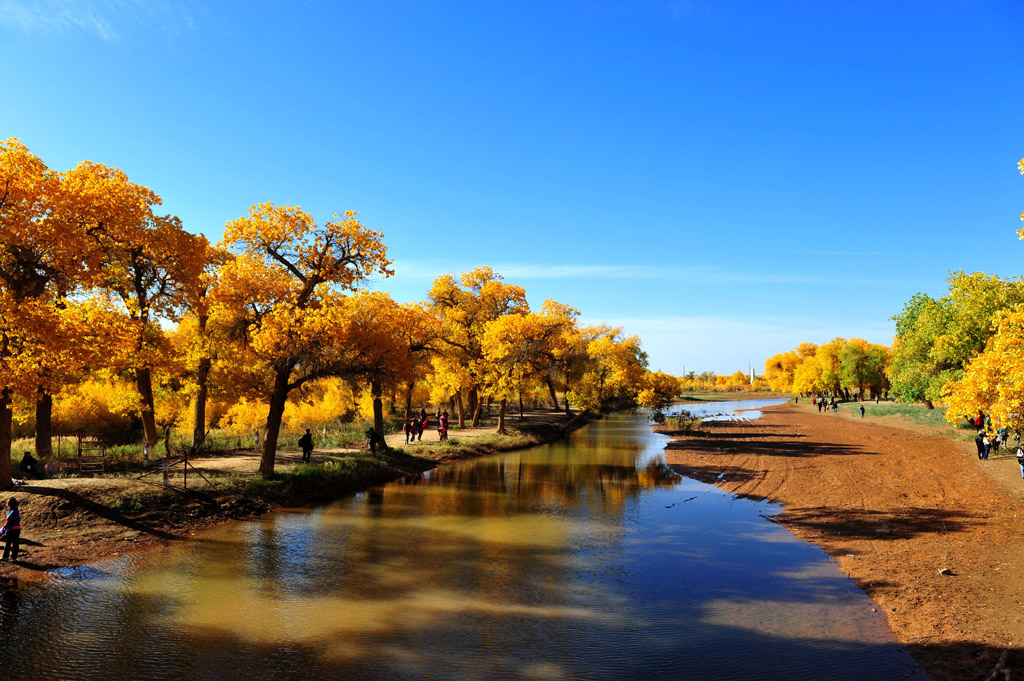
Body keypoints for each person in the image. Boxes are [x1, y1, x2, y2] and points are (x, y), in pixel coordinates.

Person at [1, 498, 20, 562]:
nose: (7, 504)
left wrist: (4, 528)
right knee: (15, 544)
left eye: (7, 503)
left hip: (11, 529)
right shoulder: (16, 510)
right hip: (17, 529)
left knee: (8, 543)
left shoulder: (12, 511)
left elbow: (8, 520)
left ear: (10, 504)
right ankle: (14, 558)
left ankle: (5, 557)